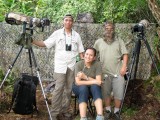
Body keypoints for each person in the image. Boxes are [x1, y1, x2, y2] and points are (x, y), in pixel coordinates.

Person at [32, 14, 84, 120]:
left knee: (68, 89)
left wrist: (83, 66)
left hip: (71, 66)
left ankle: (64, 111)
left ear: (72, 22)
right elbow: (45, 43)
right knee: (58, 89)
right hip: (60, 66)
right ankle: (54, 113)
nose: (68, 22)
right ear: (63, 21)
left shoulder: (76, 36)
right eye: (66, 20)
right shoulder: (57, 34)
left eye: (70, 20)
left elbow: (81, 51)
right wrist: (32, 41)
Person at [93, 21, 128, 120]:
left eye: (111, 28)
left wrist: (124, 67)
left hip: (118, 72)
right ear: (104, 29)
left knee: (119, 93)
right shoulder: (98, 42)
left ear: (114, 30)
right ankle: (108, 110)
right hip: (104, 73)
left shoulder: (119, 40)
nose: (109, 30)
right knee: (106, 92)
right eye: (107, 28)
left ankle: (117, 111)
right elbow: (93, 55)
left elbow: (125, 54)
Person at [72, 47, 104, 120]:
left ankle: (100, 116)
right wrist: (94, 81)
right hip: (78, 88)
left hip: (92, 88)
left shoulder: (97, 64)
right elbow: (78, 82)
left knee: (95, 87)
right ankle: (83, 117)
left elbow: (98, 82)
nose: (88, 57)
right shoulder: (79, 64)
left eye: (91, 55)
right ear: (84, 55)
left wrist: (85, 77)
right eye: (86, 54)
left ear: (94, 57)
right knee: (83, 88)